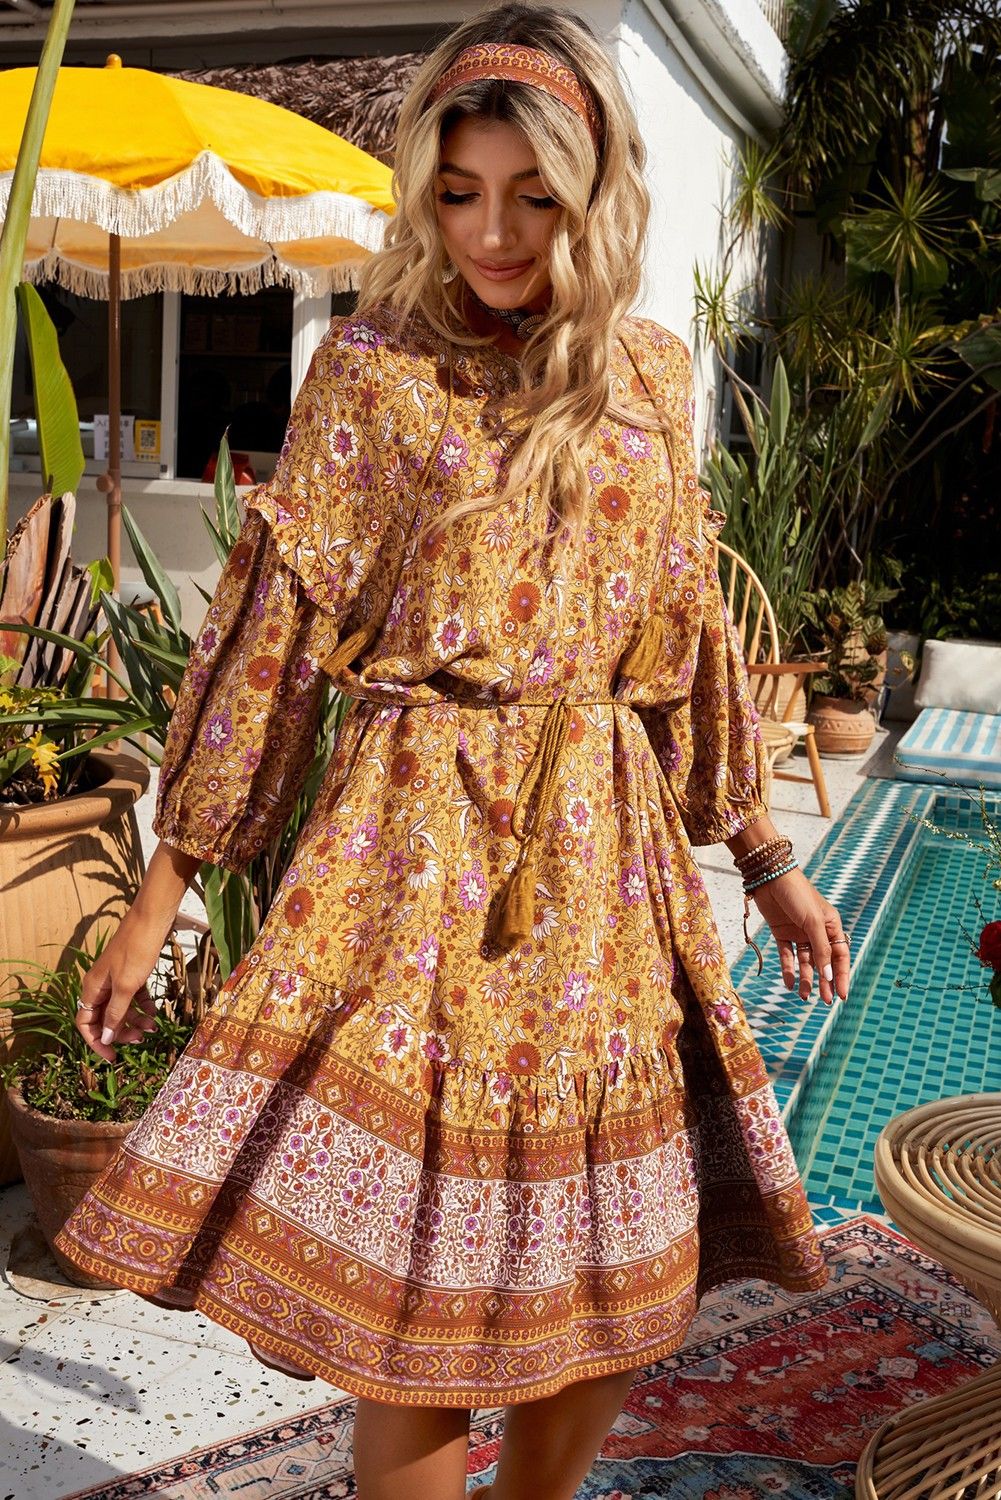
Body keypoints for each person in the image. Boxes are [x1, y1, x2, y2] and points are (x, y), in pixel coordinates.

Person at [55, 7, 849, 1498]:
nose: (493, 232)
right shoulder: (371, 372)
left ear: (594, 196)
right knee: (410, 1303)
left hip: (603, 870)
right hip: (412, 854)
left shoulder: (651, 377)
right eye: (462, 191)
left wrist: (761, 853)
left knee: (616, 1262)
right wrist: (165, 892)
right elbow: (277, 638)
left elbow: (681, 629)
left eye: (535, 197)